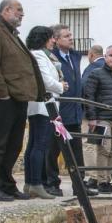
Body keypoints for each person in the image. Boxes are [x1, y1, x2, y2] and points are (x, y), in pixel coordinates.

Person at [0, 0, 43, 202]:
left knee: (13, 145)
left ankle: (6, 184)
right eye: (18, 9)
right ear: (5, 10)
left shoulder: (12, 34)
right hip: (2, 99)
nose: (22, 14)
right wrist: (3, 93)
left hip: (18, 97)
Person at [82, 45, 112, 194]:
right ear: (105, 56)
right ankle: (101, 181)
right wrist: (92, 118)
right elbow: (89, 96)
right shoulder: (96, 73)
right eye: (111, 55)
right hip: (102, 118)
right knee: (103, 149)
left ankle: (107, 180)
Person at [47, 25, 88, 197]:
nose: (71, 38)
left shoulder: (75, 56)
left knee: (76, 151)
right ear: (56, 39)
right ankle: (51, 183)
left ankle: (79, 185)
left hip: (74, 112)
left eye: (71, 35)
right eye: (66, 36)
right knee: (53, 150)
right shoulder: (51, 57)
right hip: (58, 112)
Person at [24, 25, 65, 200]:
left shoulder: (38, 54)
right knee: (39, 145)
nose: (53, 41)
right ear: (43, 39)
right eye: (51, 37)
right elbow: (45, 80)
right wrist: (61, 86)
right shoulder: (39, 55)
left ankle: (30, 183)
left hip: (41, 106)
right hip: (43, 106)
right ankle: (35, 183)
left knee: (34, 144)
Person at [80, 45, 105, 188]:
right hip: (106, 114)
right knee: (103, 146)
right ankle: (104, 178)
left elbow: (84, 88)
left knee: (89, 144)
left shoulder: (91, 68)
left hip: (90, 114)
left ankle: (93, 177)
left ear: (90, 55)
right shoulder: (110, 67)